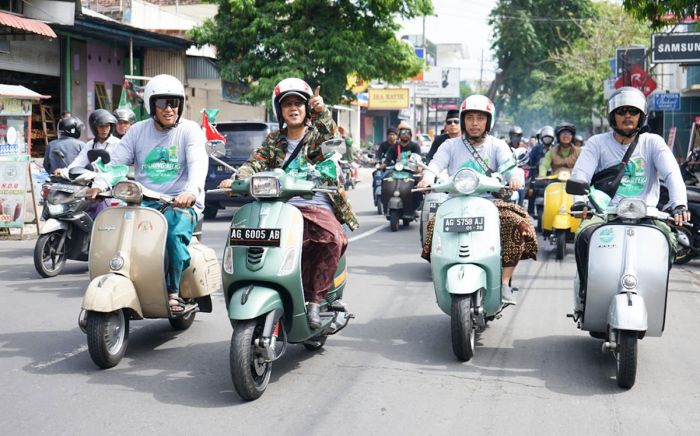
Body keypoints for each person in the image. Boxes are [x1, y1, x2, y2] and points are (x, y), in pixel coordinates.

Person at [218, 78, 358, 328]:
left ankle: (314, 301)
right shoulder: (274, 141)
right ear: (279, 111)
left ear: (306, 109)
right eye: (287, 104)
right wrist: (237, 179)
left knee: (333, 239)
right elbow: (255, 163)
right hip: (280, 207)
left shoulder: (316, 137)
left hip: (315, 203)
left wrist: (322, 110)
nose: (293, 108)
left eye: (298, 104)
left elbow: (330, 134)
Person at [87, 74, 209, 316]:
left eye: (174, 103)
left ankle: (173, 291)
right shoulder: (137, 132)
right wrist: (99, 184)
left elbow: (198, 163)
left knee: (174, 233)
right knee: (116, 229)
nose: (169, 109)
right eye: (163, 103)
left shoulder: (190, 131)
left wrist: (190, 191)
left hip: (180, 203)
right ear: (151, 105)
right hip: (145, 201)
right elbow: (118, 164)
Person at [417, 94, 538, 305]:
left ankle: (505, 282)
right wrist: (427, 177)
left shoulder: (498, 145)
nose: (474, 123)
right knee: (433, 227)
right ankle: (442, 275)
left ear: (488, 121)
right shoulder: (450, 146)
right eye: (470, 117)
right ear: (463, 120)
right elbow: (435, 165)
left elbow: (512, 168)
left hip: (491, 203)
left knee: (519, 224)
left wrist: (516, 179)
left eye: (480, 118)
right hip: (455, 203)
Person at [571, 87, 689, 261]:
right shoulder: (596, 143)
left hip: (647, 215)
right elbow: (581, 173)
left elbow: (672, 173)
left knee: (668, 240)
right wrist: (580, 202)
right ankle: (585, 286)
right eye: (621, 111)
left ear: (641, 116)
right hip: (604, 215)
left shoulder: (653, 142)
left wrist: (679, 204)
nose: (628, 115)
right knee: (583, 236)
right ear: (613, 116)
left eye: (634, 111)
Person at [65, 109, 119, 173]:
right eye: (101, 126)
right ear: (94, 127)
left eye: (107, 126)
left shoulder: (117, 143)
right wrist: (64, 171)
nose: (104, 130)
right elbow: (79, 162)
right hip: (95, 180)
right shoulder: (90, 145)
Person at [526, 125, 554, 216]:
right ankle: (530, 211)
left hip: (551, 175)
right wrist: (529, 165)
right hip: (537, 173)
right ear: (542, 138)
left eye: (549, 138)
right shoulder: (536, 148)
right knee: (531, 188)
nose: (547, 140)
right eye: (545, 138)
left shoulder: (555, 149)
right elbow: (529, 159)